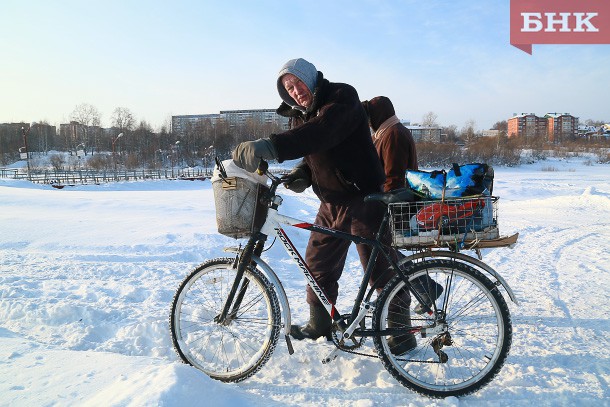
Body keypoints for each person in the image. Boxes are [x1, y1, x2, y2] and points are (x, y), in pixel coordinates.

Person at [232, 58, 396, 342]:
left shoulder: (342, 96)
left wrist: (272, 145)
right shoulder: (300, 114)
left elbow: (323, 132)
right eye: (289, 88)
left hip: (364, 197)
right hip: (331, 201)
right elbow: (317, 150)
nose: (296, 91)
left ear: (310, 78)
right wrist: (304, 172)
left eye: (297, 83)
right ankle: (319, 324)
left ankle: (400, 332)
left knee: (379, 266)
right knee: (318, 263)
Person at [363, 96, 444, 318]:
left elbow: (394, 176)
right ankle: (425, 288)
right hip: (398, 201)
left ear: (377, 115)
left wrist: (382, 201)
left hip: (398, 203)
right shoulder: (387, 132)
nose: (369, 122)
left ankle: (424, 288)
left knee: (385, 251)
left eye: (370, 116)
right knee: (386, 251)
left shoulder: (393, 135)